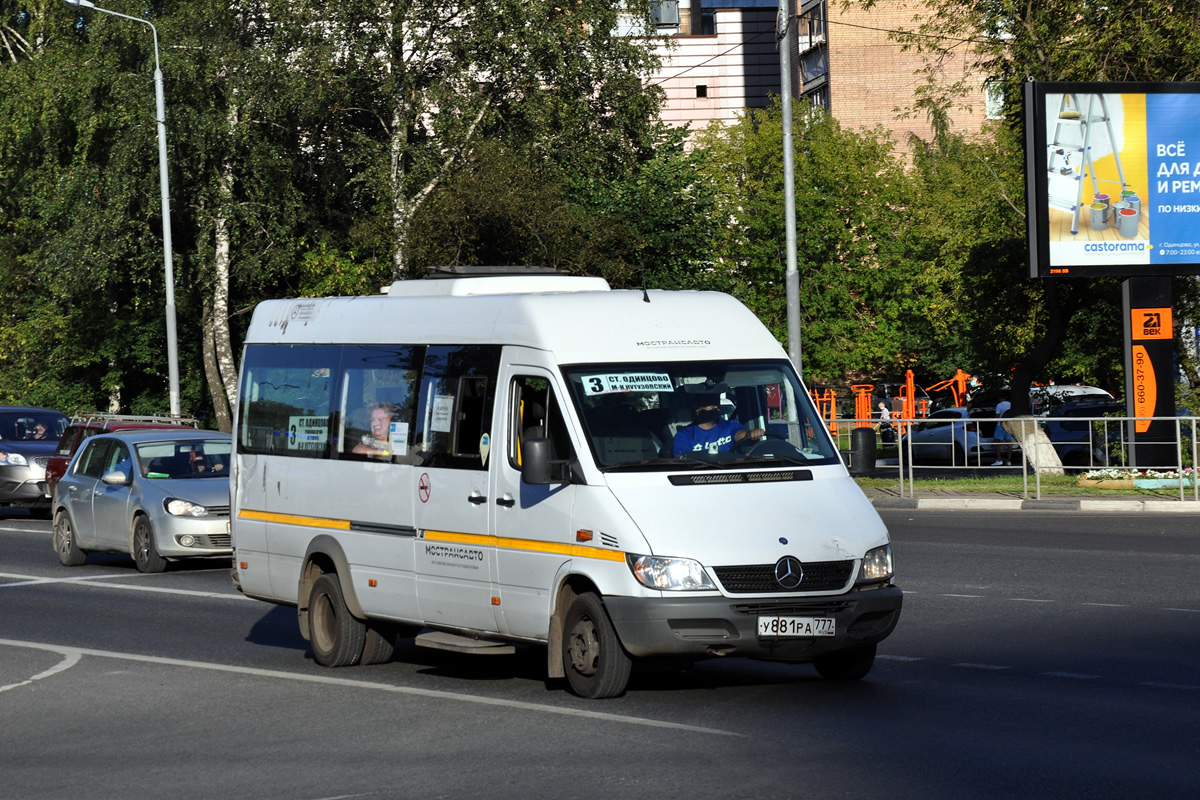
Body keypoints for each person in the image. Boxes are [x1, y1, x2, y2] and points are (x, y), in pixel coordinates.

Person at [672, 394, 764, 456]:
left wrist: (751, 434)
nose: (715, 406)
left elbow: (741, 435)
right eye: (709, 402)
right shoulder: (684, 436)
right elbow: (684, 463)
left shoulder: (730, 426)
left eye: (716, 403)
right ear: (697, 407)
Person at [991, 395, 1014, 466]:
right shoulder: (1011, 404)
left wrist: (992, 417)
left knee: (996, 442)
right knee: (1009, 443)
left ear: (1000, 398)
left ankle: (999, 459)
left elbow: (997, 416)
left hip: (1000, 425)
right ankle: (1009, 461)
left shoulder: (999, 405)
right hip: (1009, 425)